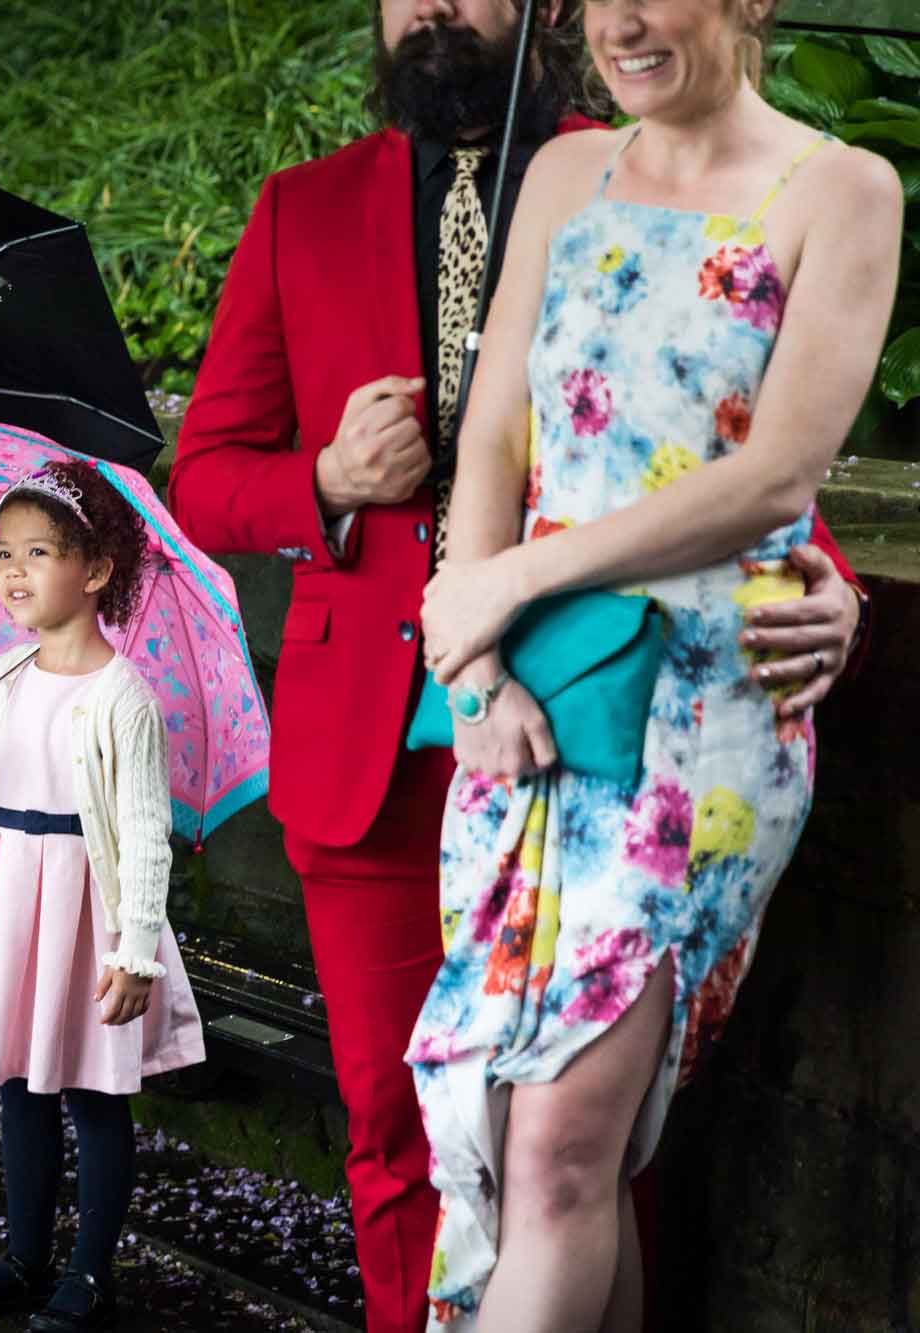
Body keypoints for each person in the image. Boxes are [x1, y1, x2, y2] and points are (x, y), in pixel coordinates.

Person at [165, 2, 870, 1329]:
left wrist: (829, 589)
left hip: (628, 704)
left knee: (585, 1150)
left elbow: (733, 441)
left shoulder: (678, 167)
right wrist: (328, 485)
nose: (438, 4)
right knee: (413, 1126)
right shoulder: (301, 210)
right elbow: (203, 477)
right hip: (390, 731)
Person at [408, 0, 902, 1326]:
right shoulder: (567, 171)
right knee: (540, 1146)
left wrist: (513, 577)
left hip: (705, 718)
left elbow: (776, 473)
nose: (617, 21)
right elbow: (498, 432)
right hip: (531, 694)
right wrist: (476, 670)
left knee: (563, 1143)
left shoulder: (843, 190)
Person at [0, 461, 207, 1333]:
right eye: (3, 554)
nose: (13, 572)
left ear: (98, 570)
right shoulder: (1, 672)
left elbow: (147, 836)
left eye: (39, 552)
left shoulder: (122, 698)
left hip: (84, 913)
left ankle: (90, 1272)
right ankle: (23, 1255)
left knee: (92, 1093)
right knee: (19, 1084)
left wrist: (136, 949)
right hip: (9, 899)